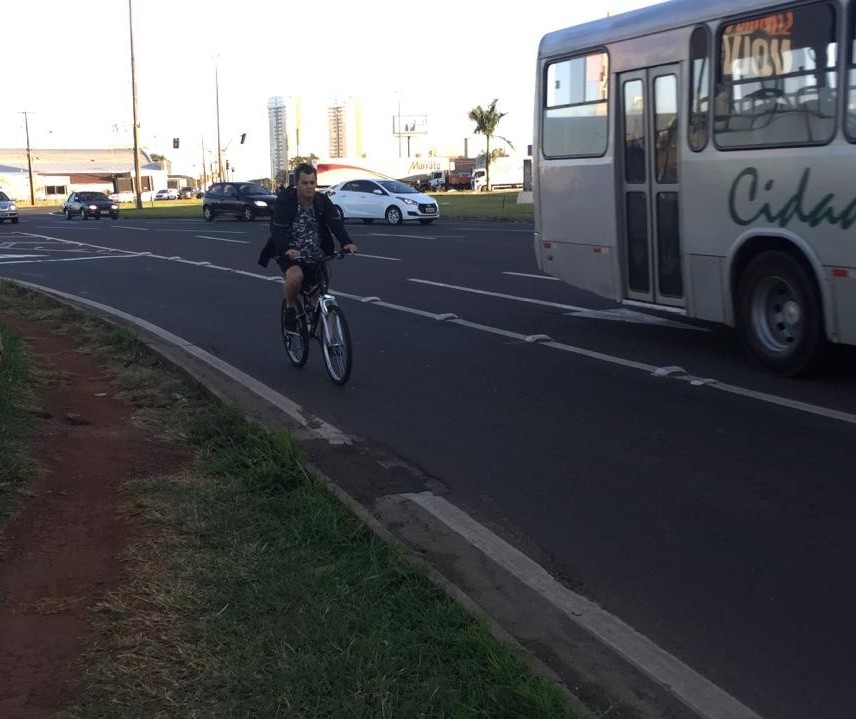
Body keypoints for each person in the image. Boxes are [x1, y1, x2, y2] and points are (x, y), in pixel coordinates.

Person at [258, 163, 357, 330]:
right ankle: (290, 308)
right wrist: (286, 249)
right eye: (305, 183)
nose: (309, 187)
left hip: (315, 253)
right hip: (289, 252)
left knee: (318, 294)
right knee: (295, 276)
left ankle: (328, 337)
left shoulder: (321, 201)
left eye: (312, 183)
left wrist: (346, 242)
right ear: (297, 184)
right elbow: (277, 230)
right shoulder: (285, 201)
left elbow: (335, 222)